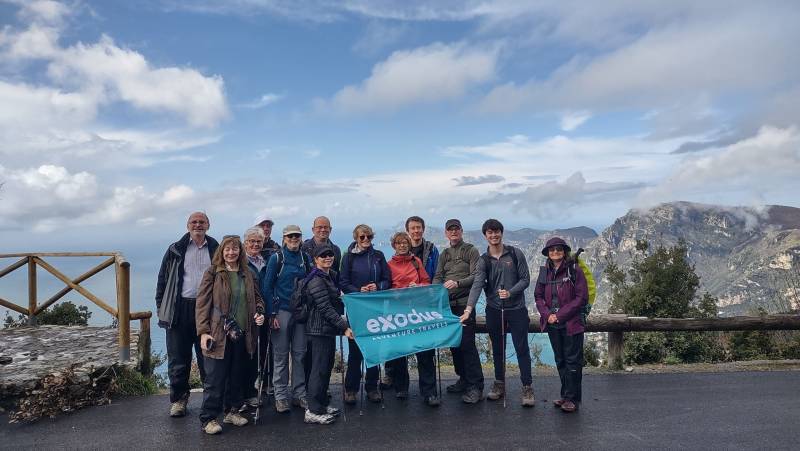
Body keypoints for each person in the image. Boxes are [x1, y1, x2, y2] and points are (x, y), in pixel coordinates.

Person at [196, 235, 265, 434]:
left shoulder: (248, 273)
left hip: (242, 332)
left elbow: (258, 299)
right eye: (227, 249)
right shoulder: (213, 272)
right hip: (218, 334)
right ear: (221, 251)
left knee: (237, 375)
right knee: (215, 378)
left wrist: (259, 313)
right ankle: (208, 418)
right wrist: (203, 332)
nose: (231, 252)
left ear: (240, 251)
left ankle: (231, 411)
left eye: (235, 249)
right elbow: (202, 304)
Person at [155, 211, 219, 418]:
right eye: (194, 222)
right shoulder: (175, 249)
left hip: (207, 309)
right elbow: (163, 280)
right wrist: (161, 307)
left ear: (208, 225)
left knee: (207, 359)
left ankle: (210, 403)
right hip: (180, 309)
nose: (198, 225)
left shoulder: (216, 248)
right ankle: (179, 401)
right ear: (188, 225)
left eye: (202, 222)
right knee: (178, 359)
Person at [466, 219, 534, 407]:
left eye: (496, 232)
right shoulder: (484, 260)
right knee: (498, 349)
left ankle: (527, 386)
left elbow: (526, 279)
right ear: (485, 235)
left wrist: (511, 291)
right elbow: (477, 285)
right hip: (494, 310)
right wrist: (469, 308)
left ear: (501, 233)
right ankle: (499, 383)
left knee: (522, 348)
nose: (494, 235)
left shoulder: (514, 253)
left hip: (517, 309)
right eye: (490, 232)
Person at [383, 216, 440, 391]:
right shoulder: (389, 265)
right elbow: (384, 287)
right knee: (400, 351)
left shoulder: (417, 262)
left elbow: (427, 281)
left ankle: (429, 391)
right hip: (398, 312)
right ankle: (401, 388)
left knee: (424, 351)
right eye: (398, 243)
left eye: (404, 243)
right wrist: (393, 291)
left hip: (418, 311)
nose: (402, 246)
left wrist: (419, 286)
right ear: (394, 246)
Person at [534, 237, 589, 413]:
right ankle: (565, 395)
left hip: (571, 323)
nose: (555, 252)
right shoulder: (545, 272)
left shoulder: (574, 270)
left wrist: (560, 315)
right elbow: (538, 296)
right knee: (561, 360)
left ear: (564, 251)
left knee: (573, 361)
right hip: (552, 324)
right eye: (551, 250)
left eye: (558, 249)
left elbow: (581, 298)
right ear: (548, 254)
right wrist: (548, 315)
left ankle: (573, 399)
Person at [433, 218, 484, 404]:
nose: (453, 232)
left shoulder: (471, 250)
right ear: (446, 233)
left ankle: (475, 386)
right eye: (450, 230)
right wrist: (434, 292)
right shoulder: (444, 254)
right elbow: (438, 276)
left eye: (456, 229)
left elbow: (476, 276)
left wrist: (458, 283)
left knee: (467, 345)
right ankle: (463, 379)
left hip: (464, 305)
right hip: (448, 306)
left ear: (461, 231)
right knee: (454, 345)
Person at [304, 244, 355, 424]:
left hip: (327, 329)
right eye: (323, 256)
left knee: (326, 367)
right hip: (318, 330)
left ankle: (322, 404)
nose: (328, 258)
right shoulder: (316, 280)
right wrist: (344, 327)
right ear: (315, 259)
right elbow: (325, 308)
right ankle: (313, 410)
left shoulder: (329, 276)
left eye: (330, 255)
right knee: (318, 369)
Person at [341, 224, 391, 404]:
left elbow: (388, 280)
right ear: (356, 238)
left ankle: (372, 387)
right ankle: (351, 389)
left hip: (376, 309)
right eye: (362, 237)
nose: (366, 240)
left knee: (374, 349)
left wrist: (378, 287)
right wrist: (357, 290)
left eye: (369, 236)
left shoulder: (379, 256)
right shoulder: (348, 258)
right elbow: (343, 282)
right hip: (356, 309)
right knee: (355, 350)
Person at [264, 225, 312, 413]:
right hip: (281, 311)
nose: (294, 239)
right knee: (281, 355)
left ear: (301, 238)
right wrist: (271, 314)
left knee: (300, 354)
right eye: (290, 236)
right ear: (284, 238)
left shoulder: (305, 258)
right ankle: (281, 396)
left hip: (300, 312)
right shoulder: (277, 259)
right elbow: (267, 287)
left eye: (297, 236)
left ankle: (299, 395)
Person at [301, 216, 343, 386]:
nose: (323, 230)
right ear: (313, 229)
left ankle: (320, 393)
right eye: (319, 227)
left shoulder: (336, 249)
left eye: (326, 227)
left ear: (330, 229)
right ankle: (310, 394)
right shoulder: (304, 247)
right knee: (311, 355)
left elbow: (336, 277)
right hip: (312, 308)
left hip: (330, 306)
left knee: (326, 357)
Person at [242, 227, 269, 408]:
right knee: (245, 355)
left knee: (260, 352)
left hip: (263, 312)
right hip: (245, 314)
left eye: (258, 241)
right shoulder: (241, 262)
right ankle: (242, 393)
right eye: (251, 241)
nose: (255, 244)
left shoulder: (265, 261)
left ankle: (254, 391)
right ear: (245, 243)